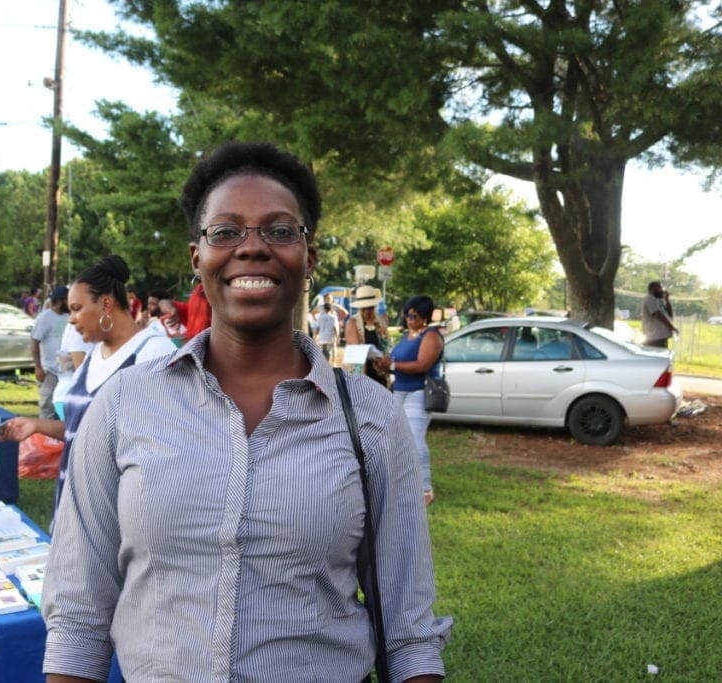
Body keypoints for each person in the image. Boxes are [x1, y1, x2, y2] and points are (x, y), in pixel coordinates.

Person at [42, 141, 450, 682]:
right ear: (197, 257)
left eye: (280, 231)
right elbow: (78, 616)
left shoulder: (372, 419)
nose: (252, 248)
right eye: (226, 231)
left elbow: (407, 632)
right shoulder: (123, 406)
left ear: (309, 258)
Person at [0, 255, 176, 514]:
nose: (71, 319)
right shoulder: (93, 355)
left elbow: (170, 440)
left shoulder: (154, 352)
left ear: (106, 304)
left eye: (77, 308)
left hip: (121, 508)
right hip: (75, 500)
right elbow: (81, 432)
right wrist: (36, 425)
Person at [381, 295, 445, 504]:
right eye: (407, 315)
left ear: (425, 317)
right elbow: (396, 361)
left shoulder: (431, 336)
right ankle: (402, 482)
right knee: (397, 438)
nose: (409, 319)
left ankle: (425, 488)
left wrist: (391, 366)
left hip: (418, 391)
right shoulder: (406, 335)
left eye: (414, 315)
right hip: (399, 390)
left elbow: (421, 365)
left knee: (415, 439)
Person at [31, 285, 70, 420]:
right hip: (49, 370)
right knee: (47, 407)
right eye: (67, 299)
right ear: (60, 301)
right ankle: (44, 439)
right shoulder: (45, 317)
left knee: (63, 405)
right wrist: (38, 367)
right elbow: (34, 341)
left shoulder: (68, 316)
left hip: (66, 370)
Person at [345, 284, 391, 386]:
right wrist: (379, 356)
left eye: (370, 308)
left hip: (380, 372)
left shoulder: (381, 321)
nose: (366, 312)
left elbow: (387, 344)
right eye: (363, 308)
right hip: (361, 374)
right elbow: (355, 350)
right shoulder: (353, 322)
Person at [641, 281, 678, 347]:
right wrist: (672, 328)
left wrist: (667, 300)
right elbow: (658, 315)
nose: (662, 290)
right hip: (654, 338)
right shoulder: (650, 299)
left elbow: (669, 315)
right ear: (653, 289)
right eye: (660, 288)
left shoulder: (659, 300)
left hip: (661, 338)